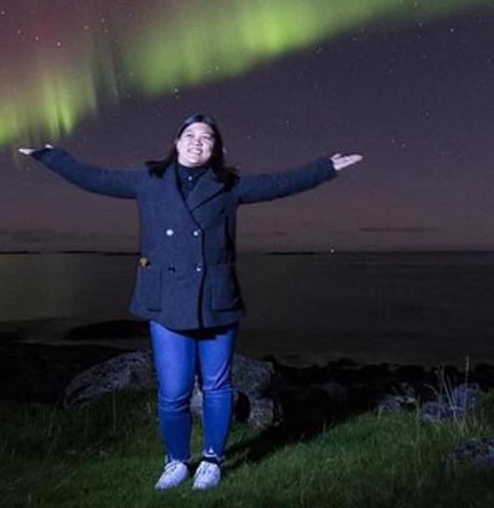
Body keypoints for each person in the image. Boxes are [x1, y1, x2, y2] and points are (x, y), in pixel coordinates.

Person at [19, 112, 362, 491]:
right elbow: (94, 179)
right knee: (173, 390)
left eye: (208, 138)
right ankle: (176, 461)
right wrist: (51, 156)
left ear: (216, 149)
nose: (198, 141)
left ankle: (212, 459)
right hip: (165, 300)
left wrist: (326, 168)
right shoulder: (147, 179)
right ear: (177, 140)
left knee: (217, 385)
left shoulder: (227, 186)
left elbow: (278, 184)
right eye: (191, 134)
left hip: (215, 299)